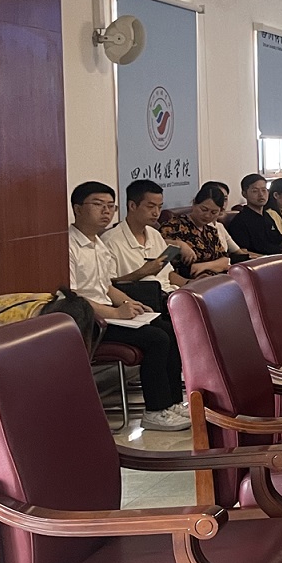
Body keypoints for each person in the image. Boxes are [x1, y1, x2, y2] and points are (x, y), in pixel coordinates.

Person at [68, 181, 190, 431]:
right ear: (77, 209)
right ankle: (155, 411)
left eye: (110, 206)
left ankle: (172, 403)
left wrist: (129, 303)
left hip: (107, 313)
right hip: (86, 320)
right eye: (98, 205)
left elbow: (107, 287)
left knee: (169, 330)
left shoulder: (98, 244)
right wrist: (115, 312)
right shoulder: (68, 246)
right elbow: (72, 298)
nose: (106, 211)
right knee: (156, 339)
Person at [103, 179, 190, 307]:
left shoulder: (154, 234)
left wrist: (191, 283)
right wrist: (143, 272)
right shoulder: (110, 241)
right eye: (150, 207)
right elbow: (108, 285)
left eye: (159, 207)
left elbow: (168, 274)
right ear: (132, 206)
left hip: (170, 297)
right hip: (142, 302)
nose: (156, 213)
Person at [159, 183, 236, 276]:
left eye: (213, 212)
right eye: (204, 209)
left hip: (215, 278)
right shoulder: (173, 227)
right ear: (194, 203)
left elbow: (225, 261)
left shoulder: (210, 231)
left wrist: (203, 266)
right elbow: (158, 250)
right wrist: (179, 244)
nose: (207, 215)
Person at [225, 174, 282, 256]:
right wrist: (267, 259)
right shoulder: (239, 222)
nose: (261, 194)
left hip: (278, 257)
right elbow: (243, 252)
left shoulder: (267, 216)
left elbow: (279, 240)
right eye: (255, 191)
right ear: (244, 194)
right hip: (262, 261)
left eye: (264, 190)